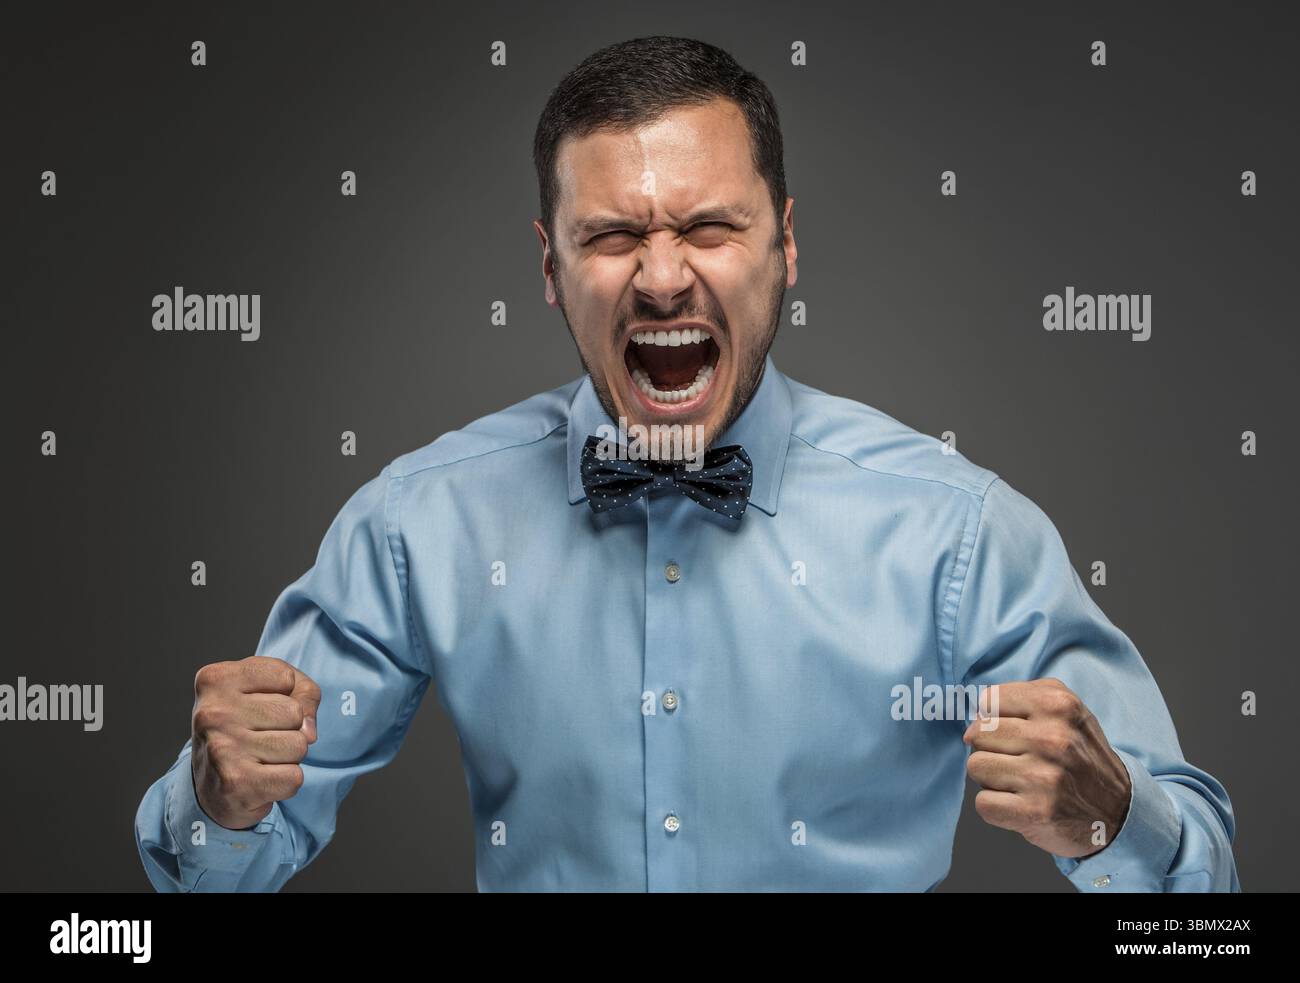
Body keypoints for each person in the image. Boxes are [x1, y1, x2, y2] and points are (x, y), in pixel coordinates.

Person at [134, 35, 1239, 892]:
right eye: (612, 236)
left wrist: (1109, 812)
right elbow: (198, 879)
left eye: (709, 226)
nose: (661, 279)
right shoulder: (421, 520)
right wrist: (218, 801)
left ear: (787, 245)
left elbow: (1206, 902)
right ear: (551, 266)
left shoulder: (956, 533)